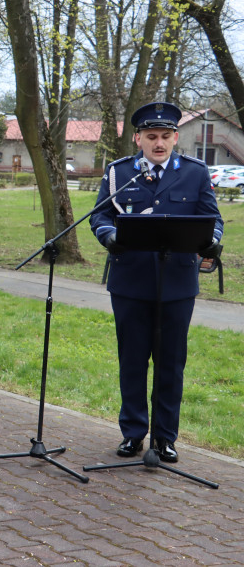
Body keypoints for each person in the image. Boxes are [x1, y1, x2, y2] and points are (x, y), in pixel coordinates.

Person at [90, 102, 223, 464]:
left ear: (176, 138)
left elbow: (212, 218)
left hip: (177, 283)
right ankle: (133, 433)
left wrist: (212, 242)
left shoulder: (195, 172)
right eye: (151, 136)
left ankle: (164, 438)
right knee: (132, 361)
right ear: (138, 139)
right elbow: (101, 215)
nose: (159, 143)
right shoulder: (119, 172)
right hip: (130, 281)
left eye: (165, 136)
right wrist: (109, 236)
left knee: (170, 364)